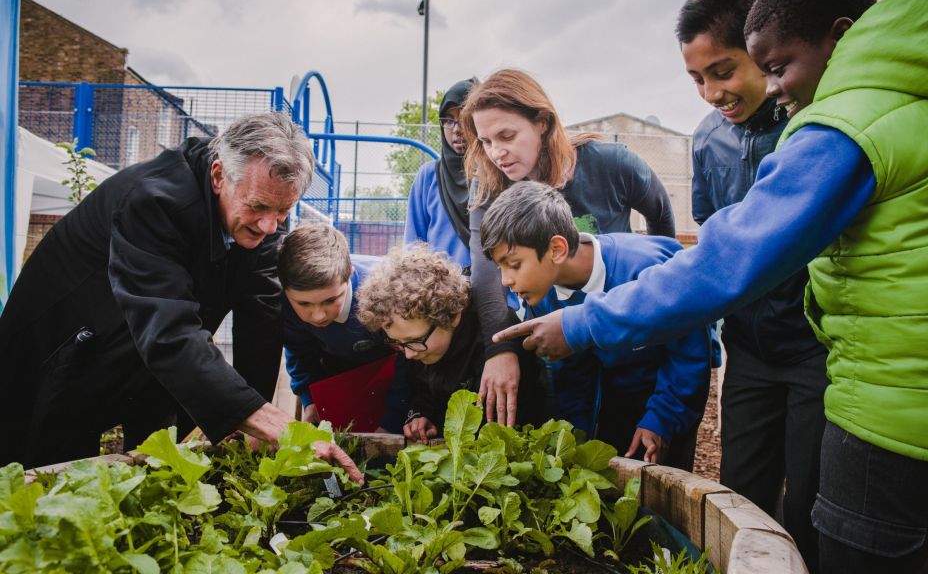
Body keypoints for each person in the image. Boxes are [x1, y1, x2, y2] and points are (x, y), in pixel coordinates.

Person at [495, 0, 928, 574]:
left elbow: (727, 258)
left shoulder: (844, 126)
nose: (775, 88)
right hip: (922, 390)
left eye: (777, 68)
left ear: (841, 39)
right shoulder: (924, 102)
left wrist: (585, 324)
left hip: (888, 398)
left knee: (841, 542)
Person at [0, 112, 361, 481]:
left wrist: (253, 414)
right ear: (220, 176)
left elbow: (261, 318)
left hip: (145, 363)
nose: (270, 226)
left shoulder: (264, 210)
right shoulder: (153, 201)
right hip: (67, 350)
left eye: (283, 211)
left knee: (166, 468)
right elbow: (168, 329)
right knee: (54, 482)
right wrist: (275, 424)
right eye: (257, 207)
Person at [675, 0, 874, 569]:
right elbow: (715, 234)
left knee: (813, 496)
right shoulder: (707, 140)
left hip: (817, 349)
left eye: (724, 71)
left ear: (764, 55)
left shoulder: (813, 125)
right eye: (697, 79)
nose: (711, 93)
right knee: (742, 488)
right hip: (750, 351)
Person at [460, 68, 677, 429]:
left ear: (542, 122)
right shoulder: (488, 188)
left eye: (507, 135)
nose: (497, 152)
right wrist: (499, 349)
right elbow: (485, 275)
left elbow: (661, 220)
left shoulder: (613, 163)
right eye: (485, 141)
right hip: (559, 340)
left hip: (623, 331)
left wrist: (657, 294)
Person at [480, 181, 711, 465]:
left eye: (514, 264)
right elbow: (570, 374)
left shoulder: (645, 267)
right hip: (612, 398)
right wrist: (576, 438)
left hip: (671, 396)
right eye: (500, 267)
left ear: (556, 249)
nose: (505, 280)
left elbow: (689, 352)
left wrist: (662, 418)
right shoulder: (541, 295)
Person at [355, 244, 543, 444]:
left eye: (414, 341)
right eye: (398, 344)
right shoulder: (416, 344)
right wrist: (419, 414)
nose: (408, 354)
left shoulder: (490, 347)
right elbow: (421, 388)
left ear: (452, 316)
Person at [279, 222, 407, 433]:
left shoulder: (383, 293)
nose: (318, 315)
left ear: (349, 276)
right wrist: (310, 401)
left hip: (395, 376)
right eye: (304, 304)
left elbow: (406, 362)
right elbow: (300, 352)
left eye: (330, 300)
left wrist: (391, 423)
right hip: (339, 375)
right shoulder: (284, 304)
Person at [404, 78, 476, 268]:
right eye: (448, 121)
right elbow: (413, 247)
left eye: (465, 120)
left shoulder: (497, 174)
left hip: (494, 293)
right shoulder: (429, 177)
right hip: (442, 292)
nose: (457, 130)